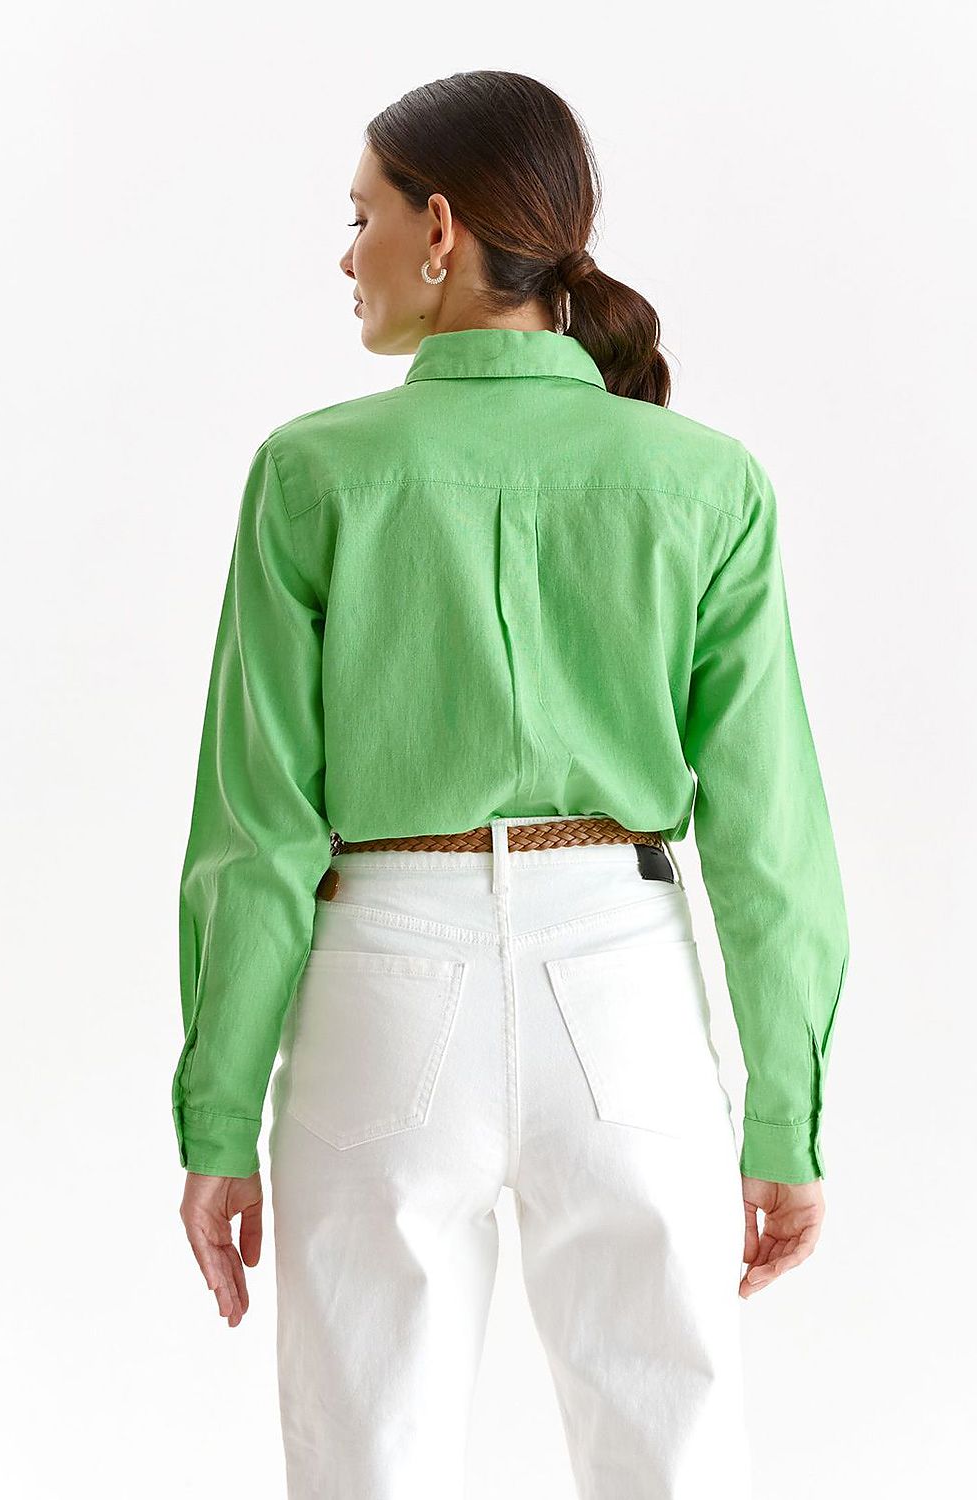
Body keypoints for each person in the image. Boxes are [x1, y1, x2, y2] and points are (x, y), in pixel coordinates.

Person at [173, 69, 849, 1500]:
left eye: (359, 216)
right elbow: (769, 835)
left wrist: (219, 1116)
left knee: (366, 1455)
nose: (344, 255)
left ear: (440, 228)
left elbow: (258, 831)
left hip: (381, 974)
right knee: (671, 1456)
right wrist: (784, 1115)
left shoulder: (311, 475)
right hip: (623, 981)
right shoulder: (705, 482)